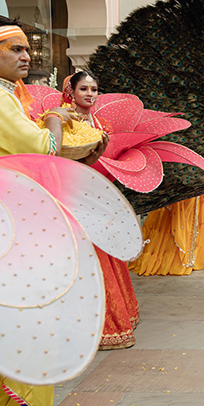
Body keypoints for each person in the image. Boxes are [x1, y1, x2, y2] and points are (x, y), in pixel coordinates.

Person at [0, 17, 103, 406]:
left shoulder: (7, 95)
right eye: (15, 49)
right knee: (11, 320)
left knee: (37, 316)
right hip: (5, 219)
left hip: (22, 215)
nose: (27, 56)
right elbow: (44, 148)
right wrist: (58, 121)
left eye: (27, 49)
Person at [61, 71, 141, 349]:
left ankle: (117, 314)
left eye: (94, 89)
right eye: (83, 88)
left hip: (101, 195)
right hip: (73, 195)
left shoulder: (102, 123)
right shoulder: (60, 121)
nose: (90, 94)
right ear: (71, 91)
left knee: (107, 254)